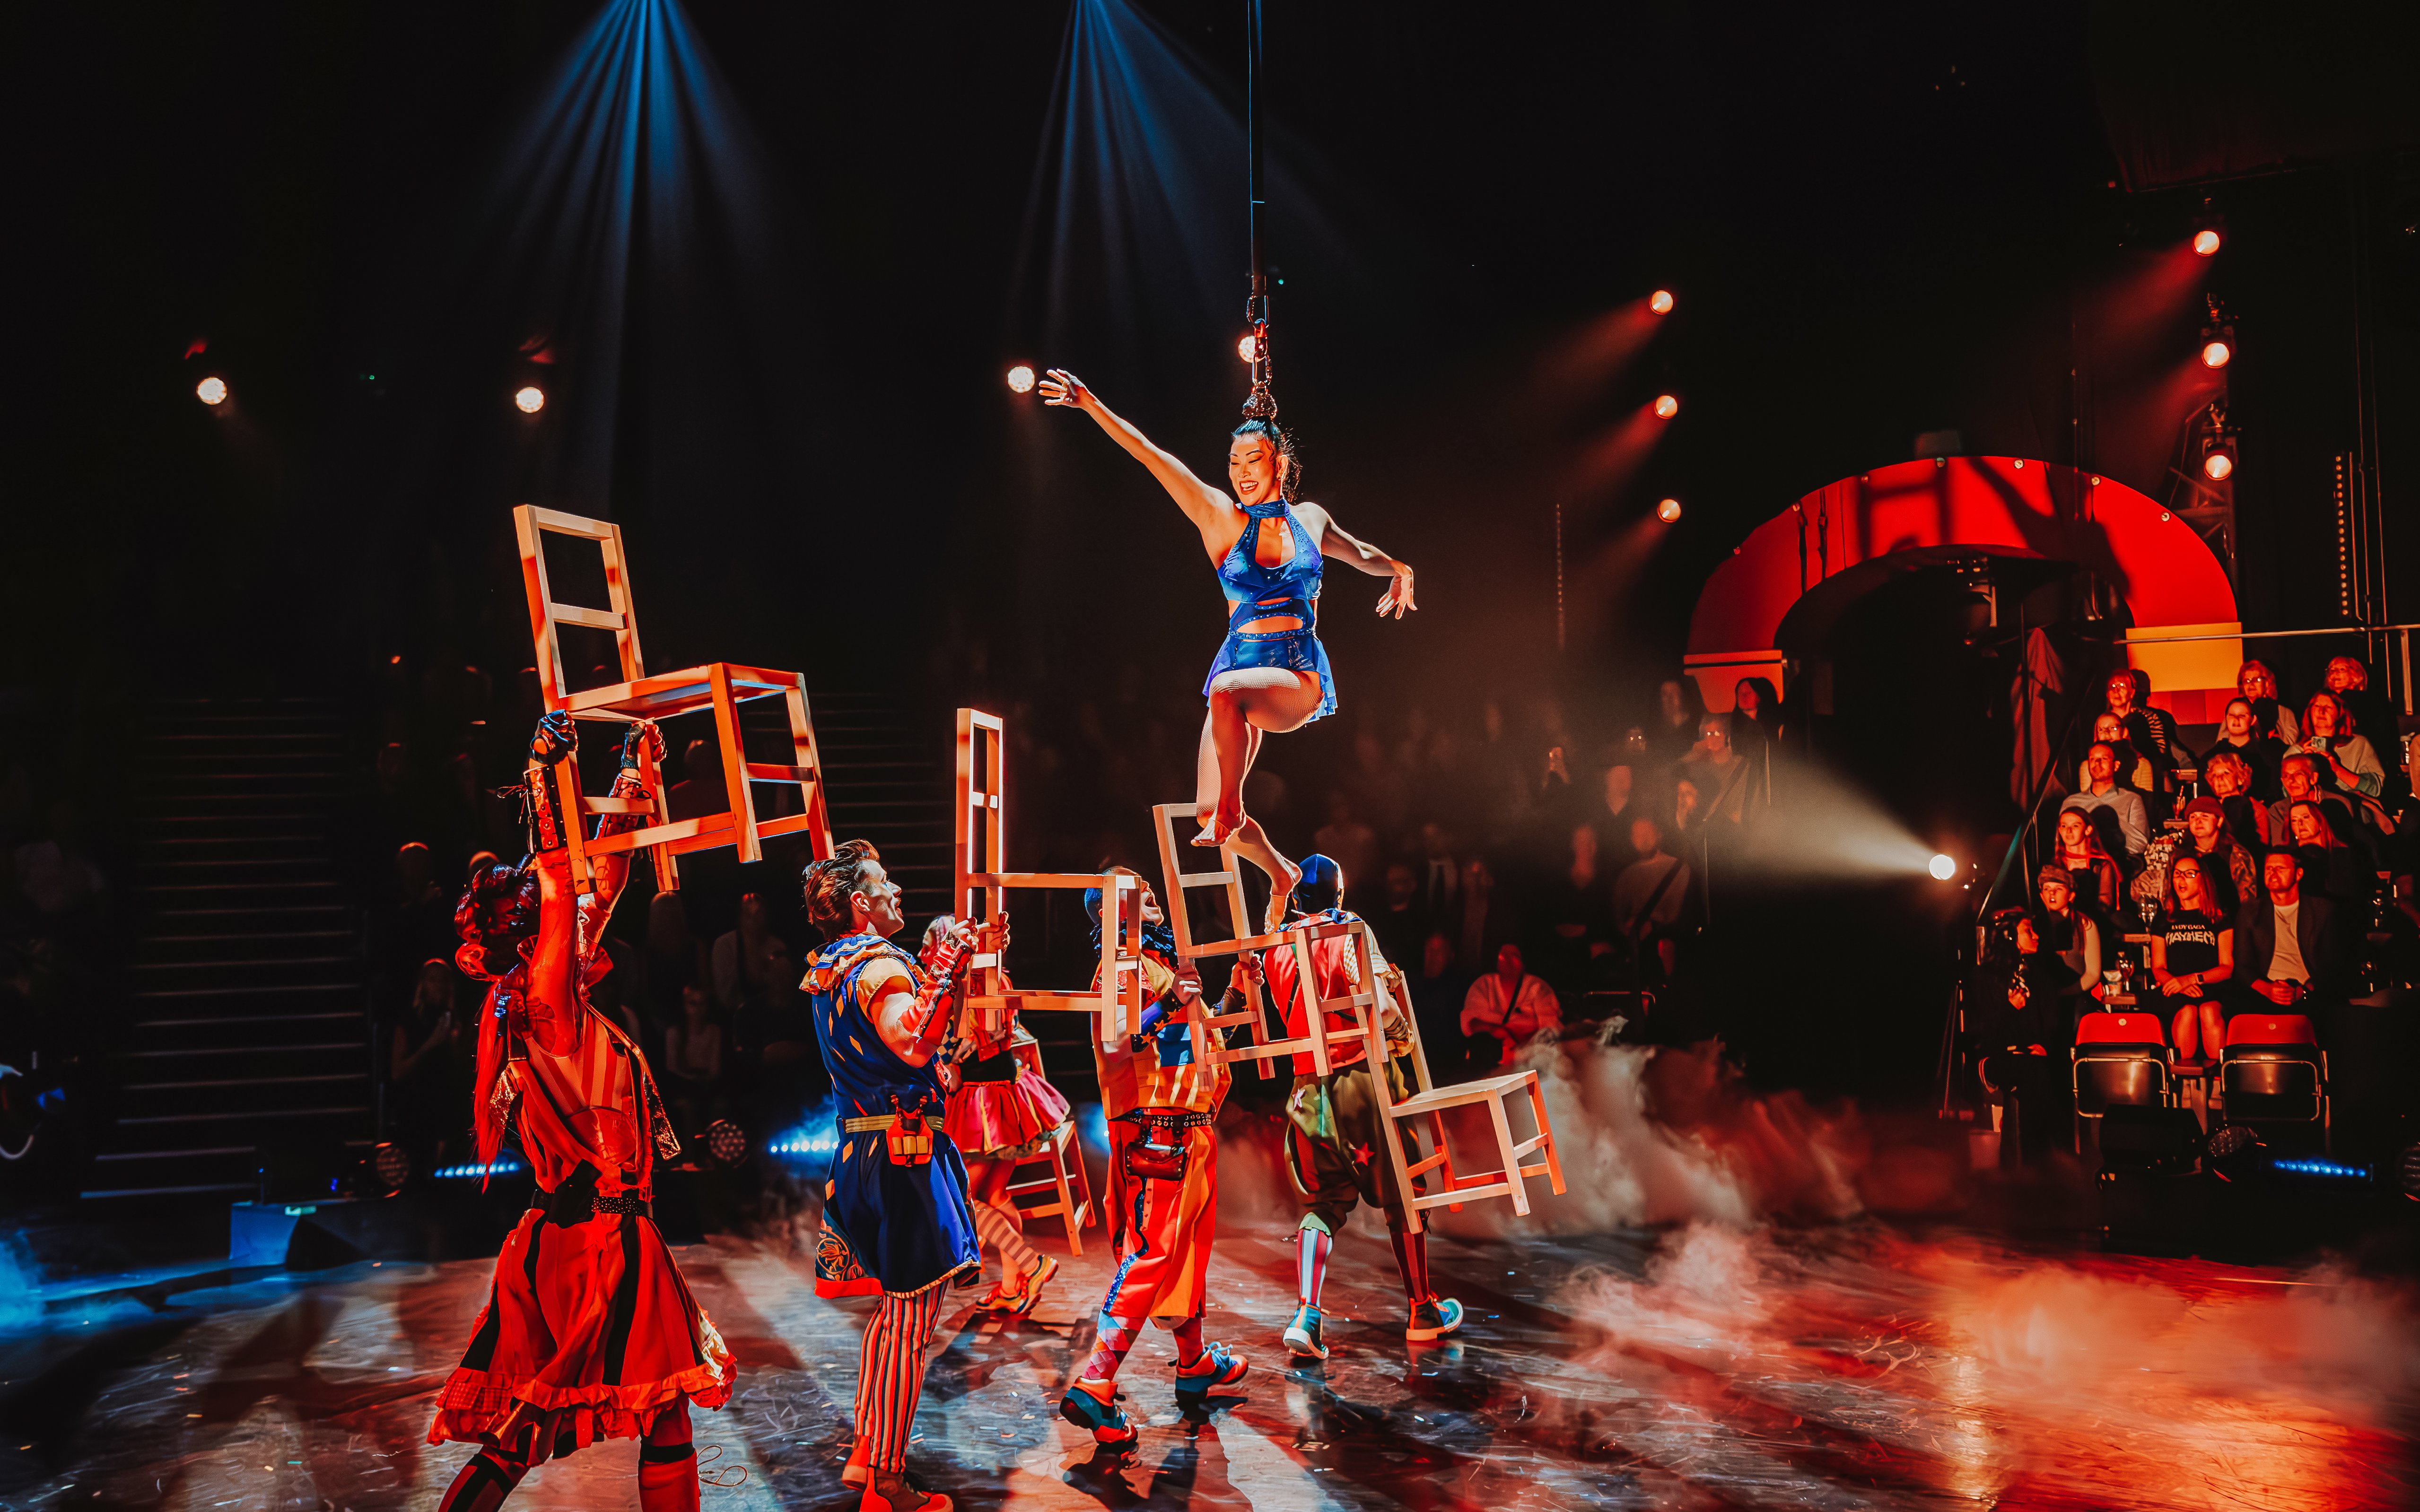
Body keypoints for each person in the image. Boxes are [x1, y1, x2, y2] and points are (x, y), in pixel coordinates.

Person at [428, 714, 733, 1512]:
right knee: (560, 1425)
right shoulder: (547, 1005)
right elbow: (572, 889)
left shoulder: (529, 1003)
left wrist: (631, 778)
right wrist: (543, 777)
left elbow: (597, 887)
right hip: (600, 1242)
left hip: (566, 1237)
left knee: (629, 1416)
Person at [1041, 370, 1417, 927]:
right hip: (1240, 671)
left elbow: (1356, 551)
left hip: (1293, 675)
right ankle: (1280, 870)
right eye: (1234, 463)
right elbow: (1148, 454)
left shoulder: (1309, 519)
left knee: (1224, 703)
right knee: (1205, 807)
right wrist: (1091, 404)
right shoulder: (1218, 515)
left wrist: (1397, 568)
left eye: (1253, 462)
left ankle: (1233, 805)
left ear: (1278, 466)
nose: (1241, 474)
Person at [800, 841, 982, 1512]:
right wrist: (946, 965)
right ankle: (886, 1481)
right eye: (885, 884)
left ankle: (866, 1456)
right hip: (900, 1156)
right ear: (860, 905)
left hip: (868, 1149)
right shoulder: (877, 965)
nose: (897, 889)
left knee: (896, 1317)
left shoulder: (832, 967)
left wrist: (944, 973)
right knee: (910, 1321)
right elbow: (911, 1040)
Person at [1062, 876, 1251, 1447]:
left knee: (1185, 1257)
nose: (1152, 896)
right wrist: (1174, 999)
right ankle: (1094, 1382)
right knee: (1151, 1256)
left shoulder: (1152, 965)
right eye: (1138, 892)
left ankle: (1193, 1366)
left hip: (1188, 1129)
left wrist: (1234, 993)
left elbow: (1195, 1037)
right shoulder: (1121, 969)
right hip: (1159, 1133)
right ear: (1112, 912)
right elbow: (1122, 1039)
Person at [1259, 856, 1465, 1356]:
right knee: (1402, 1194)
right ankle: (1421, 1309)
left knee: (1320, 1204)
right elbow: (1381, 1003)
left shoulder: (1275, 947)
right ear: (1339, 892)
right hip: (1360, 1078)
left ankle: (1307, 1314)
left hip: (1307, 1088)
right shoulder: (1349, 931)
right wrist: (1399, 1034)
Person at [929, 912, 1070, 1319]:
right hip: (1006, 1093)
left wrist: (944, 1063)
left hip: (981, 1101)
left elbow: (963, 1048)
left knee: (964, 1198)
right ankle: (1012, 1287)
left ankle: (1032, 1264)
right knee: (993, 1196)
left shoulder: (969, 986)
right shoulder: (995, 979)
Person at [2236, 849, 2347, 1037]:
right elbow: (2242, 965)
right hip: (2265, 991)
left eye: (2280, 868)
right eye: (2269, 868)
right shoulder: (2250, 912)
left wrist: (2303, 991)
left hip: (2311, 992)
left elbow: (2334, 965)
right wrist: (2268, 990)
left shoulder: (2323, 910)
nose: (2273, 873)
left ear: (2299, 873)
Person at [2150, 852, 2232, 1061]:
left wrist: (2192, 979)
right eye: (2177, 874)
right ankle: (2185, 1084)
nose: (2181, 880)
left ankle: (2219, 1084)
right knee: (2187, 1012)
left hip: (2209, 985)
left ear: (2203, 879)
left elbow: (2227, 967)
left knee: (2208, 1012)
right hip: (2174, 988)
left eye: (2189, 874)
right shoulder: (2164, 918)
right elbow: (2158, 967)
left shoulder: (2219, 917)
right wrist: (2178, 984)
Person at [2027, 866, 2103, 1042]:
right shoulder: (2033, 925)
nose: (2052, 893)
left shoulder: (2085, 925)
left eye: (2058, 889)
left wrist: (2063, 993)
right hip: (2043, 996)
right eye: (2047, 889)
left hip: (2075, 994)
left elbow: (2093, 973)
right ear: (2041, 895)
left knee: (2076, 1020)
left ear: (2071, 895)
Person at [1611, 816, 1690, 984]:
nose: (1643, 839)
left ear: (1659, 835)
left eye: (1648, 832)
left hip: (1665, 936)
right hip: (1634, 939)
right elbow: (1618, 917)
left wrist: (1653, 925)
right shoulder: (1627, 875)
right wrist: (1628, 930)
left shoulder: (1677, 868)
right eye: (1638, 834)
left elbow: (1678, 913)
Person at [1458, 941, 1561, 1069]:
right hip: (1491, 1059)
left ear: (1524, 963)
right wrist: (1498, 1031)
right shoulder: (1484, 985)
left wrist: (1522, 1041)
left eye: (1514, 956)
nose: (1508, 960)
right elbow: (1473, 1022)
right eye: (1503, 955)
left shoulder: (1538, 987)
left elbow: (1549, 1028)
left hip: (1532, 1058)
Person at [2291, 690, 2387, 807]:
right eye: (2317, 706)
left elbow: (2374, 789)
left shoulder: (2358, 745)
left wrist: (2337, 769)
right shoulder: (2297, 751)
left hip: (2349, 808)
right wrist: (2303, 766)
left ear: (2339, 714)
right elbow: (2286, 792)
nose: (2321, 712)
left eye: (2328, 708)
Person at [2174, 796, 2257, 918]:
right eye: (2193, 817)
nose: (2198, 822)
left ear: (2219, 821)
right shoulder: (2180, 854)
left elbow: (2247, 898)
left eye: (2205, 816)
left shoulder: (2236, 854)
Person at [2067, 744, 2150, 859]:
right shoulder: (2072, 802)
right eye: (2093, 759)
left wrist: (2110, 820)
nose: (2097, 763)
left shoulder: (2132, 799)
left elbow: (2139, 844)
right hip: (2079, 863)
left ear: (2116, 766)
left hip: (2118, 863)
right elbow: (2060, 842)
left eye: (2104, 759)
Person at [660, 983, 724, 1134]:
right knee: (689, 1105)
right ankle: (689, 1152)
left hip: (707, 1084)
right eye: (692, 1003)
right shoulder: (674, 1033)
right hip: (682, 1084)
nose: (697, 1009)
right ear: (684, 1006)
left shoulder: (714, 1032)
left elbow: (715, 1069)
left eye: (702, 1004)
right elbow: (671, 1068)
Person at [2285, 799, 2370, 906]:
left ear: (2320, 820)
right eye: (2294, 820)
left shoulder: (2346, 853)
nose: (2300, 824)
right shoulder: (2288, 855)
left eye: (2306, 817)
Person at [2051, 802, 2124, 921]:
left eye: (2075, 826)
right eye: (2064, 826)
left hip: (2093, 922)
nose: (2069, 831)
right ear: (2059, 830)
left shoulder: (2101, 864)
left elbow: (2105, 902)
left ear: (2088, 830)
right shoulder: (2055, 864)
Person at [2206, 697, 2287, 802]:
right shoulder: (2211, 755)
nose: (2236, 720)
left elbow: (2276, 791)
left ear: (2253, 720)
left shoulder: (2270, 753)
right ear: (2226, 718)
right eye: (2232, 715)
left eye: (2242, 716)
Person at [1682, 713, 1755, 825]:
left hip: (1733, 827)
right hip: (1708, 827)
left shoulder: (1742, 765)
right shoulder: (1699, 766)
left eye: (1718, 732)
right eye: (1710, 734)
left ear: (1726, 735)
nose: (1714, 737)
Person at [2203, 750, 2270, 850]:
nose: (2219, 779)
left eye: (2226, 773)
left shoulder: (2256, 809)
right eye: (2215, 775)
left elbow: (2262, 847)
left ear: (2240, 778)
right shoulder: (2208, 809)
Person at [2237, 660, 2298, 747]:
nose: (2251, 684)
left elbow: (2291, 745)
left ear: (2267, 683)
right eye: (2246, 681)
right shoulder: (2234, 711)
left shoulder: (2284, 712)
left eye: (2257, 680)